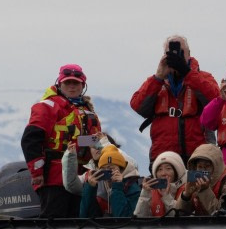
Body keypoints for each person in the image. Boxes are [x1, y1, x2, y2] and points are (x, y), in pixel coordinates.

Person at [21, 64, 102, 218]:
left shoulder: (88, 112)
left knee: (90, 216)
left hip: (83, 177)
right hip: (55, 179)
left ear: (83, 85)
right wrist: (37, 172)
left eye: (76, 83)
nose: (72, 86)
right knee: (56, 219)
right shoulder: (46, 107)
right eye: (67, 83)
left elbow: (95, 141)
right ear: (60, 83)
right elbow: (30, 139)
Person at [130, 35, 220, 166]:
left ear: (189, 54)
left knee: (199, 186)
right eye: (170, 52)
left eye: (181, 51)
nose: (176, 54)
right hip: (164, 158)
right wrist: (158, 77)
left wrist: (187, 73)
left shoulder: (203, 77)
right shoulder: (156, 81)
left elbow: (216, 101)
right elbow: (138, 106)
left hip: (198, 157)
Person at [79, 145, 141, 218]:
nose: (107, 172)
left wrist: (117, 187)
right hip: (100, 228)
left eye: (111, 168)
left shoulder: (132, 186)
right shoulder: (98, 185)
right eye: (103, 169)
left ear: (121, 169)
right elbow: (84, 217)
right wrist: (90, 188)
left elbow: (123, 218)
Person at [174, 143, 226, 216]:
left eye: (207, 166)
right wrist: (186, 196)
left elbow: (222, 214)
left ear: (217, 167)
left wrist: (204, 190)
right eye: (200, 166)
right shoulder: (194, 183)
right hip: (200, 225)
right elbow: (179, 214)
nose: (202, 170)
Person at [134, 150, 187, 217]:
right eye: (160, 169)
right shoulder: (151, 191)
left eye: (168, 168)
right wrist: (145, 194)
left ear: (176, 172)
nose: (163, 173)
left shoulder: (186, 190)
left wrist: (166, 196)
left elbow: (180, 218)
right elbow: (140, 217)